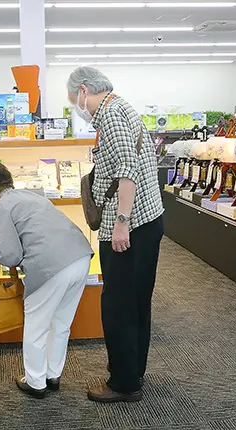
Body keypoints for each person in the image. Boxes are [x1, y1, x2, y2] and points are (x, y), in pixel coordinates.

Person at [66, 67, 164, 403]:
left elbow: (126, 169)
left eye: (75, 99)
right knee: (136, 302)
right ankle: (132, 370)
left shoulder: (110, 114)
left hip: (130, 226)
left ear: (84, 90)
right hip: (146, 221)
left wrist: (122, 222)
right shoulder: (122, 108)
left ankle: (123, 383)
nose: (78, 105)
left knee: (118, 306)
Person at [0, 162, 93, 399]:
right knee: (61, 323)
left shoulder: (0, 208)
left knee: (37, 326)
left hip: (50, 267)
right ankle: (53, 375)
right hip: (80, 256)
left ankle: (36, 382)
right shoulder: (31, 196)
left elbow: (10, 256)